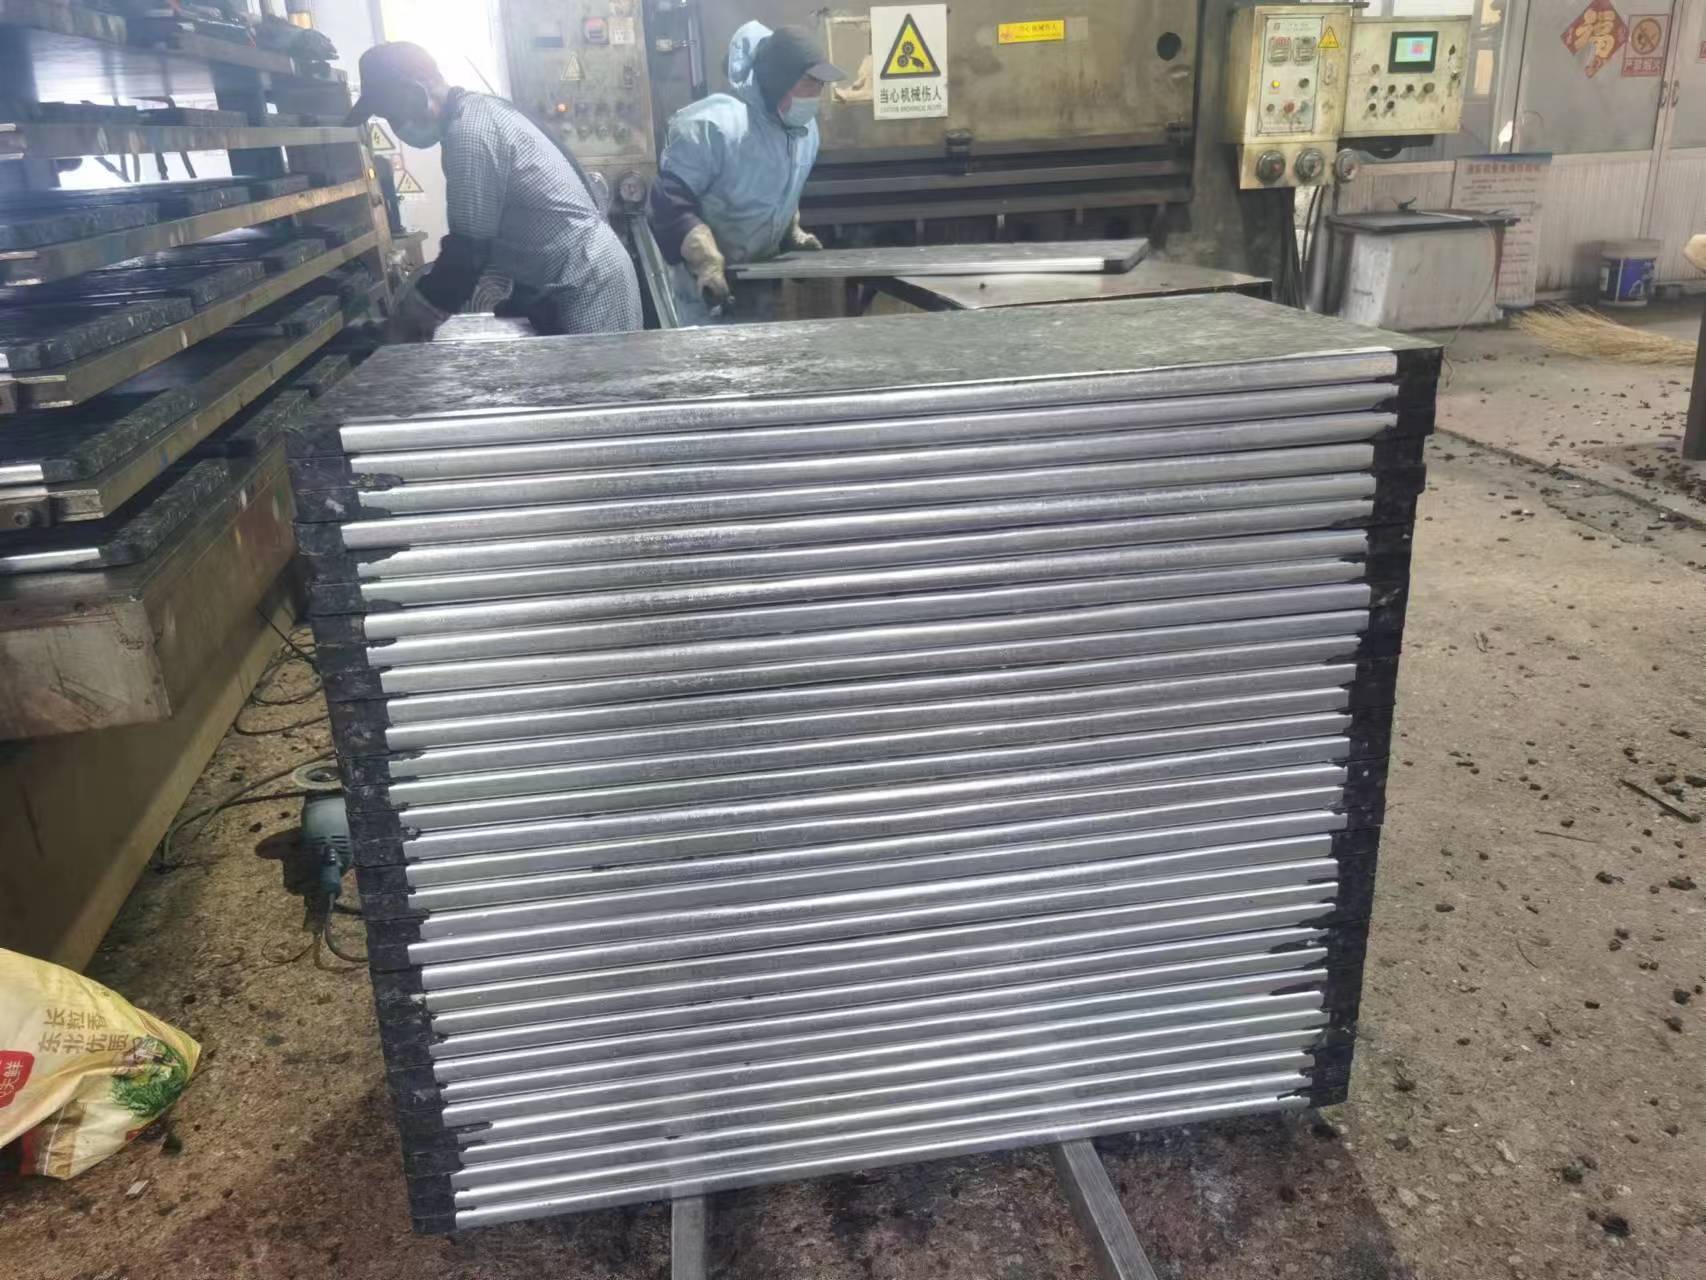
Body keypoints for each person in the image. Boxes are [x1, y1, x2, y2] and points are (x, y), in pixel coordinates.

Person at [347, 41, 641, 340]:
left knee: (600, 370)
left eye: (393, 114)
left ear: (414, 94)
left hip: (585, 285)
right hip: (572, 278)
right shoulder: (479, 111)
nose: (395, 126)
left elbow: (467, 254)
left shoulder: (470, 132)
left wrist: (410, 319)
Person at [648, 22, 845, 323]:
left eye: (820, 85)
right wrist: (706, 261)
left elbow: (783, 187)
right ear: (779, 81)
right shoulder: (716, 126)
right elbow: (668, 201)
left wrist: (790, 233)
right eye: (809, 83)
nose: (815, 95)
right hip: (703, 296)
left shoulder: (804, 132)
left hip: (760, 288)